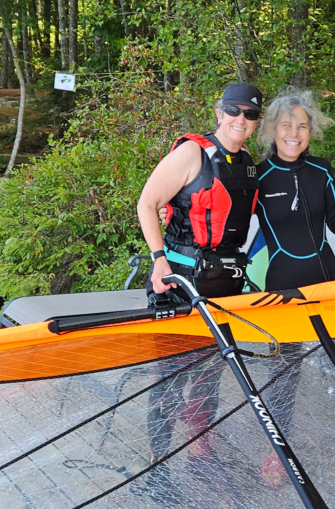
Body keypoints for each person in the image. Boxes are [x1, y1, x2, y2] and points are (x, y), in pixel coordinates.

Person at [254, 88, 335, 506]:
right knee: (283, 376)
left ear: (312, 131)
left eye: (302, 125)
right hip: (283, 289)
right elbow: (230, 225)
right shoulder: (256, 176)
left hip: (330, 283)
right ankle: (278, 453)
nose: (294, 133)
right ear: (271, 129)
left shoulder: (322, 170)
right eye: (286, 125)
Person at [136, 82, 263, 503]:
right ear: (219, 112)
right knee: (170, 378)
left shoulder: (247, 163)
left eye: (250, 114)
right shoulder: (193, 153)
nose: (241, 120)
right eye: (234, 110)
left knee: (211, 373)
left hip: (224, 284)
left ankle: (199, 452)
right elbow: (147, 203)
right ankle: (157, 466)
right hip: (180, 280)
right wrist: (159, 260)